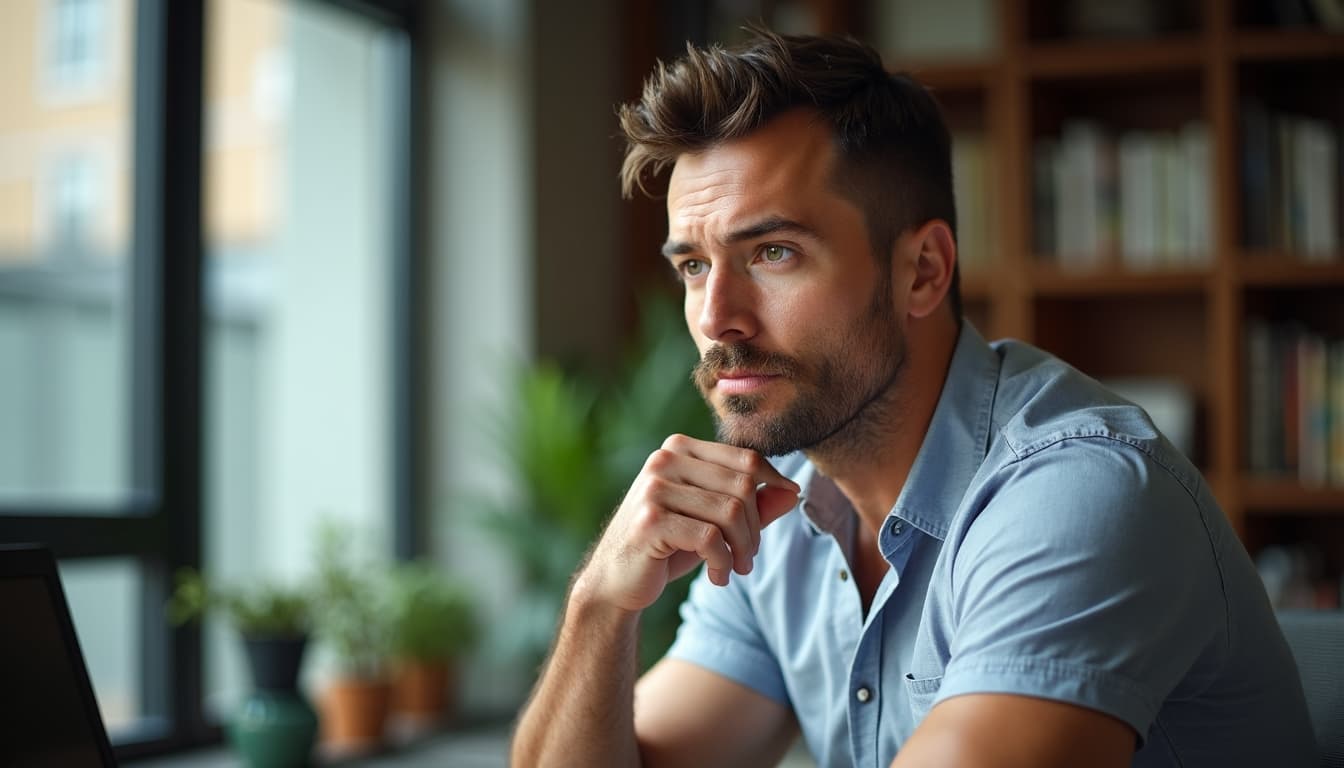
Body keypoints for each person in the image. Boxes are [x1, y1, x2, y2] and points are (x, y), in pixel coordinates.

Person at [510, 28, 1315, 768]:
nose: (717, 317)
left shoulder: (1077, 494)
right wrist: (600, 603)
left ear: (922, 271)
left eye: (775, 252)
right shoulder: (780, 514)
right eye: (693, 266)